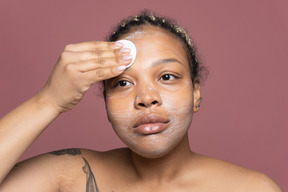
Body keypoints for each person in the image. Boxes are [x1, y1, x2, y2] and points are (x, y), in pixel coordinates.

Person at [0, 11, 282, 192]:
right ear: (106, 103)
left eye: (167, 76)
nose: (146, 98)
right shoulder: (69, 175)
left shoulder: (251, 188)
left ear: (195, 92)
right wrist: (48, 101)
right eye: (122, 83)